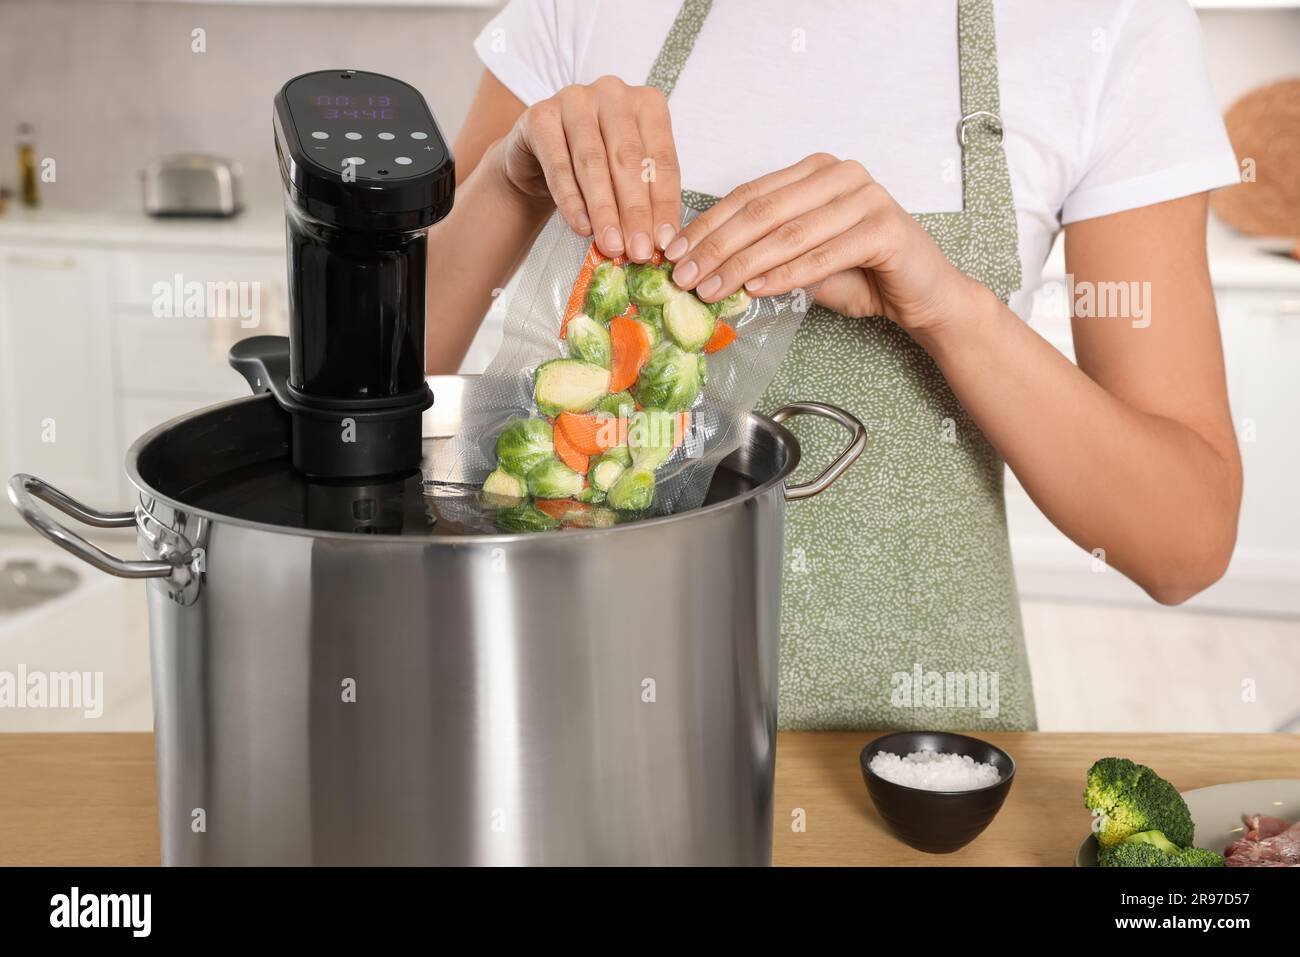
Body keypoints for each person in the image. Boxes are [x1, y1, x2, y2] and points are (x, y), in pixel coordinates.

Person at [422, 0, 1244, 731]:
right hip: (571, 716)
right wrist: (508, 182)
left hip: (913, 755)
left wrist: (950, 310)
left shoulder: (1116, 24)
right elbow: (379, 389)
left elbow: (1183, 545)